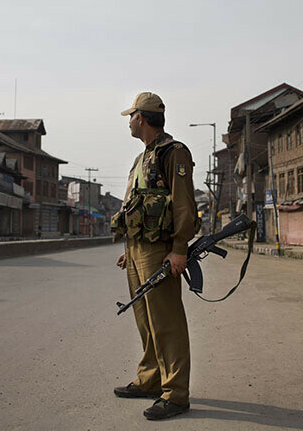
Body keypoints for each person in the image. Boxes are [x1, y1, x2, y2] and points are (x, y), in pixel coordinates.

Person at [111, 91, 199, 420]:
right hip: (137, 249)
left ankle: (176, 394)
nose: (129, 123)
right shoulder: (140, 160)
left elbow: (182, 203)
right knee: (146, 321)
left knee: (167, 322)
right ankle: (150, 379)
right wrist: (127, 249)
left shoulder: (173, 153)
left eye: (131, 117)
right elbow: (133, 207)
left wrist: (179, 248)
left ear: (142, 119)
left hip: (160, 249)